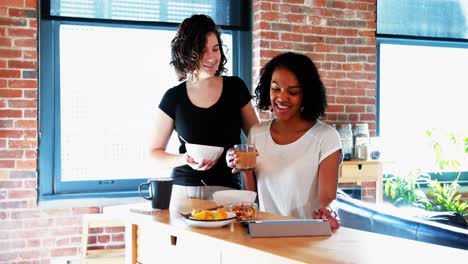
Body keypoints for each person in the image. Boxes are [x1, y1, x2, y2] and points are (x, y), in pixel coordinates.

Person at [150, 14, 258, 203]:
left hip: (228, 191)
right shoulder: (173, 97)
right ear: (187, 53)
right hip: (184, 191)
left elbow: (258, 139)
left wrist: (241, 156)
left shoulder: (236, 88)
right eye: (202, 51)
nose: (211, 57)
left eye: (215, 49)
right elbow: (154, 154)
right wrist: (185, 159)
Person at [227, 52, 342, 229]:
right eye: (275, 89)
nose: (282, 98)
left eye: (293, 92)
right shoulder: (257, 134)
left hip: (307, 237)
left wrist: (329, 211)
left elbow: (327, 200)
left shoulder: (326, 137)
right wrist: (244, 169)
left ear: (307, 94)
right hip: (263, 234)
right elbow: (252, 199)